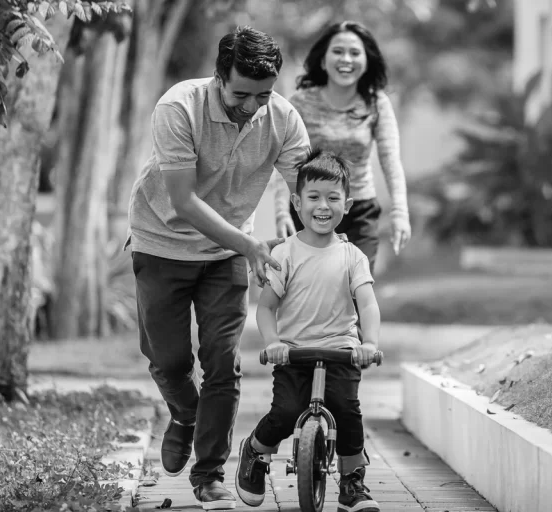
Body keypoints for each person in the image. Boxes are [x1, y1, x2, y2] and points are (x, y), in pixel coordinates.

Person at [125, 26, 310, 510]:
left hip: (225, 256)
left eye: (263, 96)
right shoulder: (178, 108)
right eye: (241, 95)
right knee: (167, 360)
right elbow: (183, 201)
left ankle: (208, 476)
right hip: (160, 243)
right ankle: (185, 414)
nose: (251, 107)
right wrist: (250, 242)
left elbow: (305, 191)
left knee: (223, 364)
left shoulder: (283, 118)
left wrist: (313, 235)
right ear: (218, 77)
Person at [236, 150, 381, 512]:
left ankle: (352, 483)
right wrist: (273, 342)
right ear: (297, 203)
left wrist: (370, 342)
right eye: (314, 197)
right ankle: (256, 451)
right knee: (285, 412)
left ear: (347, 205)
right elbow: (267, 307)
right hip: (294, 352)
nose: (323, 206)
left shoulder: (352, 256)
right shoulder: (285, 253)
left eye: (333, 198)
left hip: (341, 350)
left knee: (347, 412)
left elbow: (368, 304)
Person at [274, 20, 411, 272]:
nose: (346, 59)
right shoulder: (301, 103)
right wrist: (282, 211)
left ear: (366, 61)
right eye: (338, 51)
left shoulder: (377, 103)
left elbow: (391, 161)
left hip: (359, 210)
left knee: (357, 290)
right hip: (310, 209)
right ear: (324, 60)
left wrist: (400, 212)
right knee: (310, 294)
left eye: (354, 52)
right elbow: (288, 163)